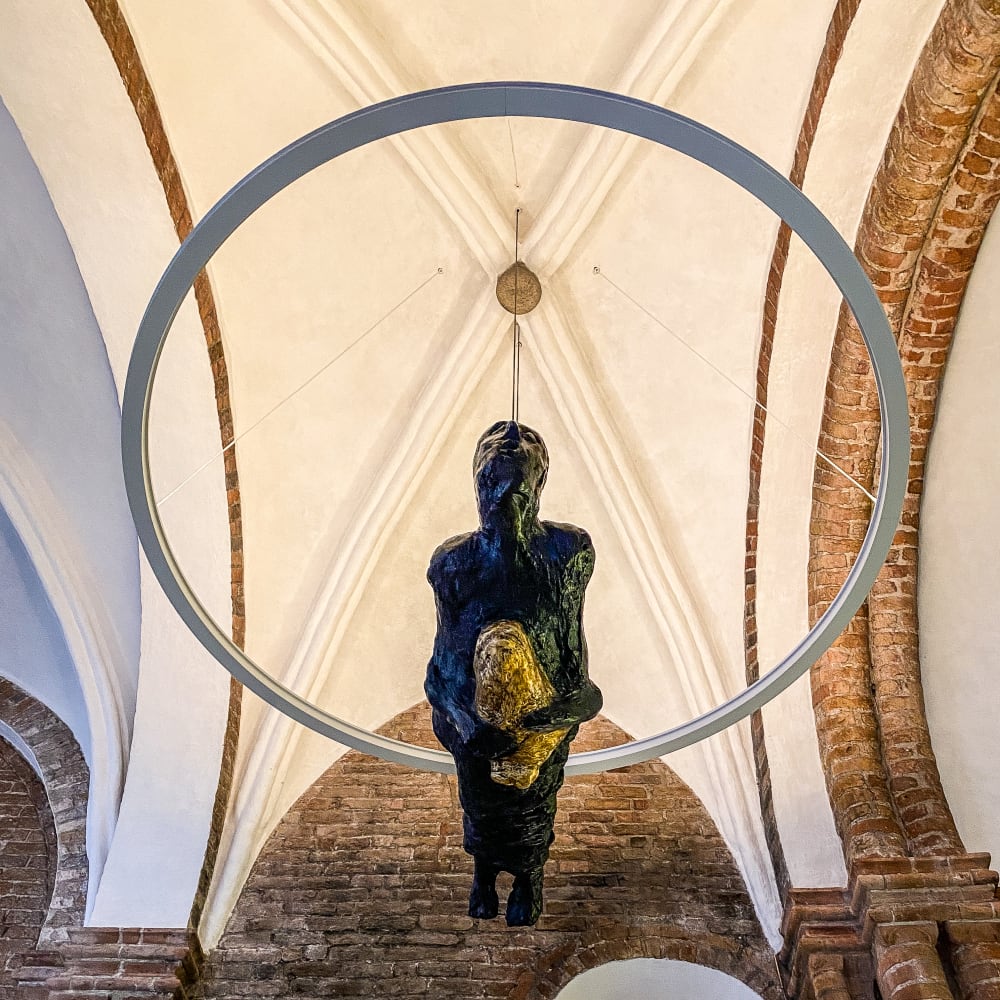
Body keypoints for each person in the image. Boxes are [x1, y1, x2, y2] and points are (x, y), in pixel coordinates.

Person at [424, 420, 603, 925]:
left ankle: (529, 877)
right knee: (480, 794)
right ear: (477, 481)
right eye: (494, 440)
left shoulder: (566, 554)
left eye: (523, 442)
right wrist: (468, 724)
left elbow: (573, 657)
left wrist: (557, 716)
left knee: (535, 792)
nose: (508, 439)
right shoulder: (454, 566)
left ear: (540, 481)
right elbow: (440, 670)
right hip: (475, 716)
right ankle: (483, 873)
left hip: (542, 709)